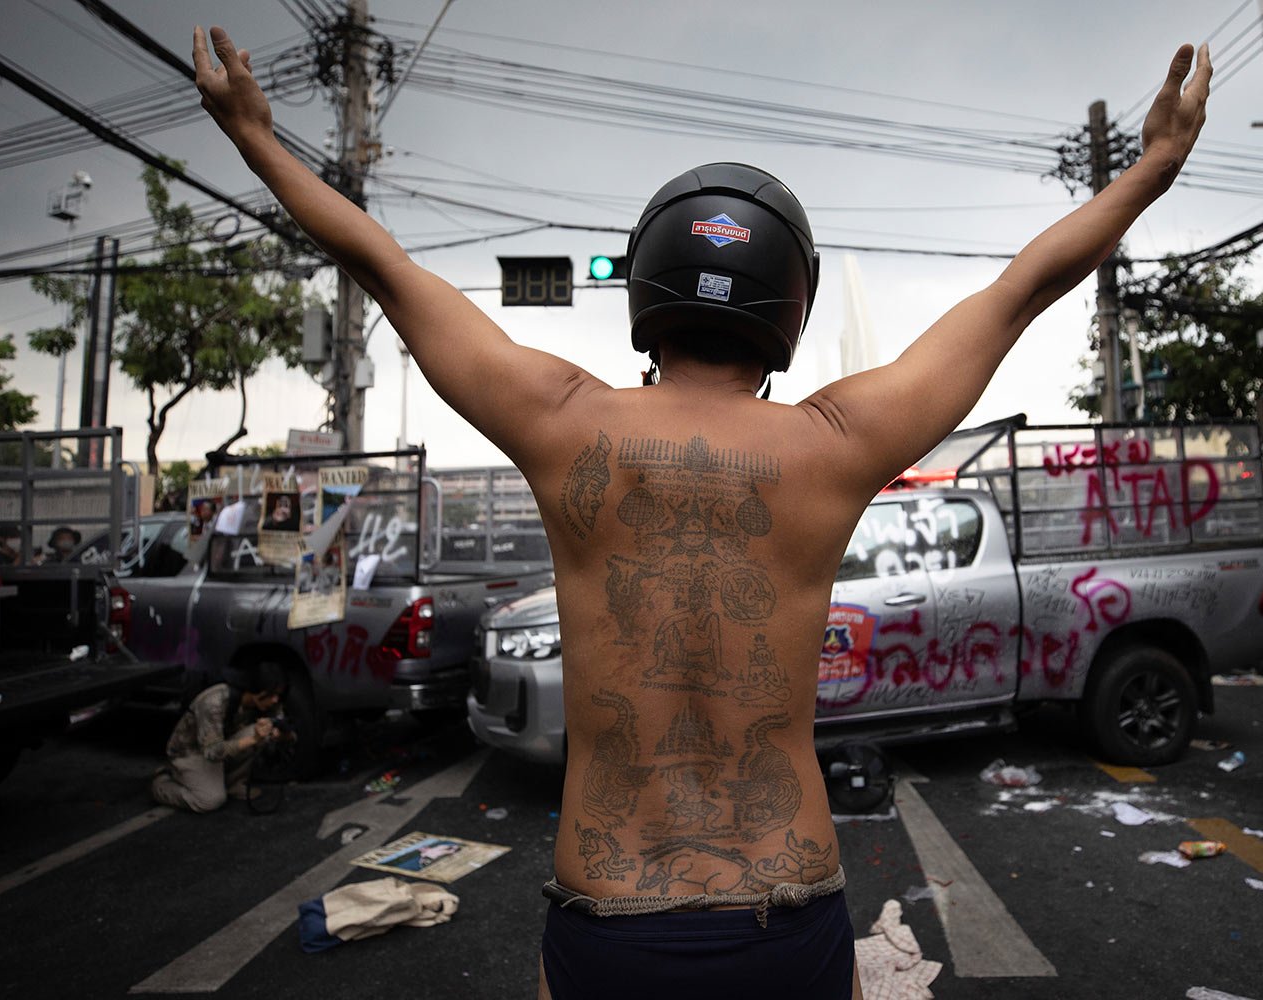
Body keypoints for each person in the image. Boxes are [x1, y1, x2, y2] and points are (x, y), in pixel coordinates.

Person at [193, 26, 1210, 999]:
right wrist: (1152, 169)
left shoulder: (562, 422)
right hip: (786, 904)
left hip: (606, 911)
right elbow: (1018, 291)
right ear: (789, 308)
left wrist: (253, 137)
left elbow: (389, 269)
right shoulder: (833, 442)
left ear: (647, 288)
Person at [151, 662, 289, 813]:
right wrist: (254, 739)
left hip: (221, 744)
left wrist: (280, 733)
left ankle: (233, 783)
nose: (275, 700)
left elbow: (288, 731)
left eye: (278, 695)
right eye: (271, 694)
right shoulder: (214, 702)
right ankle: (162, 785)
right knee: (210, 800)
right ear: (256, 689)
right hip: (191, 752)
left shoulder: (267, 701)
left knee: (266, 732)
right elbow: (212, 751)